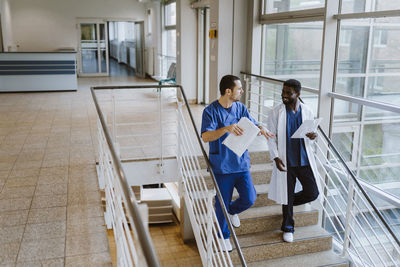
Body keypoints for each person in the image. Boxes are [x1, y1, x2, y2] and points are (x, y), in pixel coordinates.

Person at [201, 75, 273, 251]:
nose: (242, 91)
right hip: (222, 166)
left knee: (249, 198)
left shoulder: (240, 108)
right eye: (239, 89)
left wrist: (261, 129)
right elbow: (205, 136)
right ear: (228, 91)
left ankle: (230, 211)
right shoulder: (210, 111)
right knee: (222, 203)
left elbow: (253, 125)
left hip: (241, 164)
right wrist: (226, 129)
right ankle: (223, 236)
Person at [266, 79, 320, 243]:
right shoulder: (276, 112)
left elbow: (309, 136)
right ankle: (288, 227)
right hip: (285, 161)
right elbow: (270, 138)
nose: (284, 95)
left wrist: (313, 136)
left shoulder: (307, 110)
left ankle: (287, 203)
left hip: (303, 160)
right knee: (287, 192)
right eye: (283, 92)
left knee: (313, 192)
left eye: (288, 93)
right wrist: (275, 157)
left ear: (298, 94)